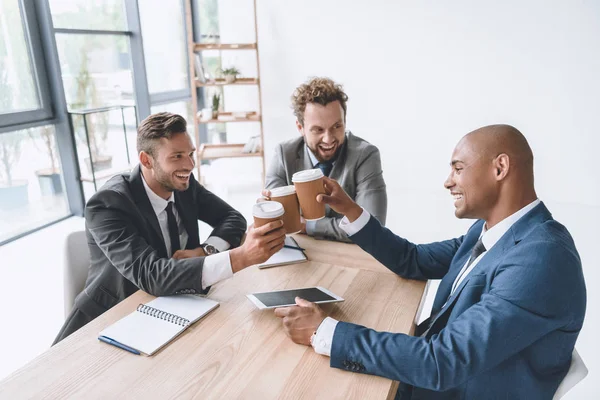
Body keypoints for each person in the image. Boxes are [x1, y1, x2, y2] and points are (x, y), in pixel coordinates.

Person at [274, 125, 586, 399]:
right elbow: (413, 259)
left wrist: (325, 331)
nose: (448, 182)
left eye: (458, 168)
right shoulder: (490, 230)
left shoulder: (542, 258)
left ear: (500, 167)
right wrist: (350, 209)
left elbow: (442, 362)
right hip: (426, 378)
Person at [54, 112, 286, 344]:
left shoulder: (182, 183)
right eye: (177, 156)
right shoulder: (108, 204)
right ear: (146, 160)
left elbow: (232, 218)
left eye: (190, 154)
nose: (189, 165)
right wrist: (240, 257)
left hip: (173, 309)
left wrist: (207, 250)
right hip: (109, 321)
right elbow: (152, 274)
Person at [263, 77, 387, 242]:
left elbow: (372, 228)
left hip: (352, 257)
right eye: (318, 130)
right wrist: (266, 211)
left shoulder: (365, 155)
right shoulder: (284, 154)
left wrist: (308, 226)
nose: (328, 139)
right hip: (303, 255)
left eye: (337, 126)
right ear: (300, 128)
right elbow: (278, 223)